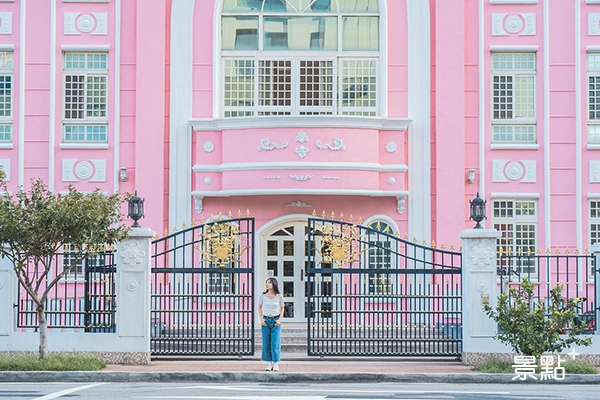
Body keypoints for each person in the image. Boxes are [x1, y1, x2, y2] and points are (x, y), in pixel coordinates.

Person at [258, 277, 284, 371]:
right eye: (267, 282)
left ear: (274, 284)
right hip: (266, 320)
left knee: (275, 342)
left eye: (269, 283)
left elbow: (282, 308)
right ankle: (268, 363)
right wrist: (261, 319)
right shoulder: (263, 296)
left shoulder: (279, 296)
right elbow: (260, 307)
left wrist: (279, 320)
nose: (267, 284)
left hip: (275, 320)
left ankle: (276, 362)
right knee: (266, 342)